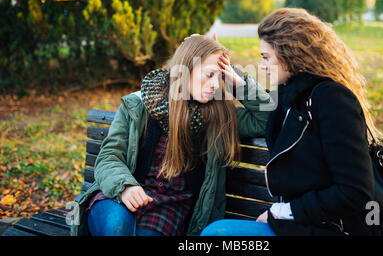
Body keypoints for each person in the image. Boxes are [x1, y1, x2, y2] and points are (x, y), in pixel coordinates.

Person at [201, 8, 381, 236]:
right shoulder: (292, 97)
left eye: (266, 58)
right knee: (217, 232)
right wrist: (231, 78)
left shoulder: (332, 99)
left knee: (218, 234)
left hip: (323, 229)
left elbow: (355, 192)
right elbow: (266, 112)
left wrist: (283, 211)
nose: (262, 66)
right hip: (296, 227)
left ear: (290, 54)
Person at [70, 34, 273, 236]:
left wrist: (236, 81)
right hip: (119, 198)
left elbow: (268, 117)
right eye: (208, 74)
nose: (214, 84)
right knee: (117, 227)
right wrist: (125, 187)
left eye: (219, 77)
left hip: (166, 212)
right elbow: (109, 157)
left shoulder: (220, 117)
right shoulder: (140, 105)